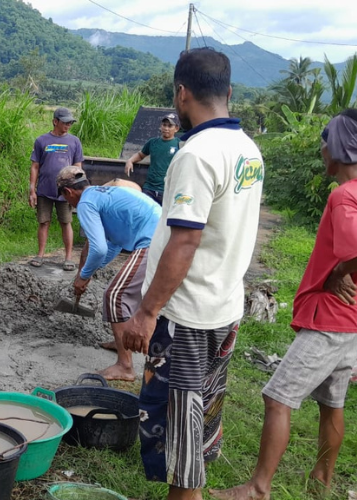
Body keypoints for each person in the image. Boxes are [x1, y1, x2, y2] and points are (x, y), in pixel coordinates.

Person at [120, 48, 264, 500]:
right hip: (223, 309)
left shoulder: (196, 154)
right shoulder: (247, 150)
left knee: (180, 441)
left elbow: (185, 241)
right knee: (198, 423)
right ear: (229, 92)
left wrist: (146, 312)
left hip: (187, 318)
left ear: (181, 94)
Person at [209, 110, 357, 500]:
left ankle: (258, 488)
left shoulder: (344, 195)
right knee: (332, 402)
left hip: (330, 320)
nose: (321, 149)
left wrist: (341, 269)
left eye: (325, 141)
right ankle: (321, 482)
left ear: (340, 147)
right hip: (349, 324)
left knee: (277, 397)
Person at [57, 166, 160, 382]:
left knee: (116, 295)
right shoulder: (101, 194)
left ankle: (125, 367)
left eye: (66, 199)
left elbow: (97, 249)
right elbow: (112, 244)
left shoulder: (86, 202)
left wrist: (83, 276)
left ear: (68, 193)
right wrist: (92, 270)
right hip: (159, 233)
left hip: (154, 239)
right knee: (125, 291)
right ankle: (123, 341)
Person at [29, 107, 83, 271]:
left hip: (66, 192)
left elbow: (77, 167)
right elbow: (35, 166)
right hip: (44, 189)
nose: (68, 125)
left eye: (70, 122)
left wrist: (76, 190)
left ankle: (68, 257)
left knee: (66, 222)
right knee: (43, 221)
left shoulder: (74, 142)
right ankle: (40, 255)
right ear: (55, 121)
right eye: (65, 122)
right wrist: (32, 190)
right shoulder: (41, 141)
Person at [124, 112, 181, 205]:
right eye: (164, 125)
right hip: (149, 188)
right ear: (160, 126)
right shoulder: (152, 142)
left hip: (167, 190)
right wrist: (130, 160)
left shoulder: (180, 145)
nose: (166, 128)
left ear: (176, 128)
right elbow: (141, 155)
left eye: (170, 126)